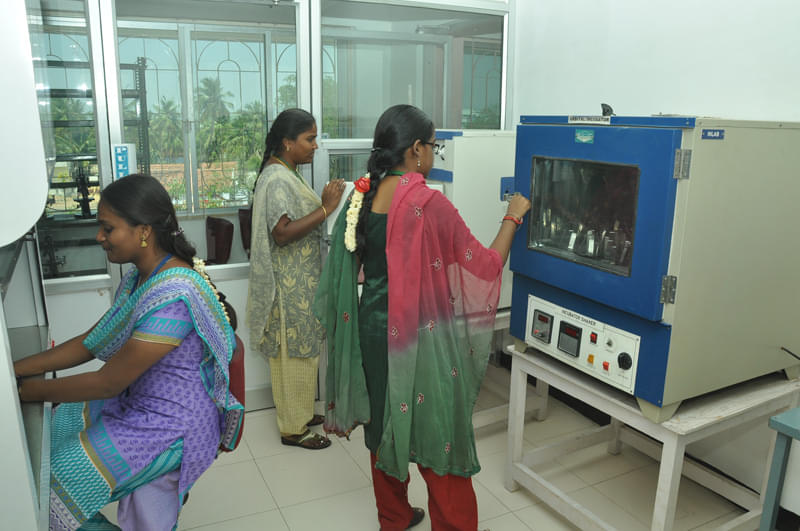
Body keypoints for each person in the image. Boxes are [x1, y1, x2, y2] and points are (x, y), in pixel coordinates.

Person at [314, 104, 531, 530]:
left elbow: (359, 264)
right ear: (416, 149)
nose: (434, 155)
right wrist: (513, 216)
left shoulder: (363, 195)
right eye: (434, 147)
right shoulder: (429, 203)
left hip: (373, 330)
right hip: (419, 338)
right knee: (438, 431)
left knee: (380, 425)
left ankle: (394, 518)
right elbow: (483, 265)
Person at [14, 174, 242, 531]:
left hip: (171, 424)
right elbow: (92, 341)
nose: (98, 237)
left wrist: (24, 392)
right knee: (58, 430)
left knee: (51, 489)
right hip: (139, 402)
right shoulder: (139, 277)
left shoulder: (175, 294)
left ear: (144, 231)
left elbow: (108, 382)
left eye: (107, 228)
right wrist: (13, 369)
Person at [246, 108, 345, 450]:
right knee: (293, 356)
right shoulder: (276, 178)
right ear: (288, 142)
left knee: (304, 352)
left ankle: (300, 412)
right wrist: (326, 209)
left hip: (300, 283)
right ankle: (292, 429)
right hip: (288, 289)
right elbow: (282, 233)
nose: (315, 146)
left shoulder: (286, 171)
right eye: (309, 138)